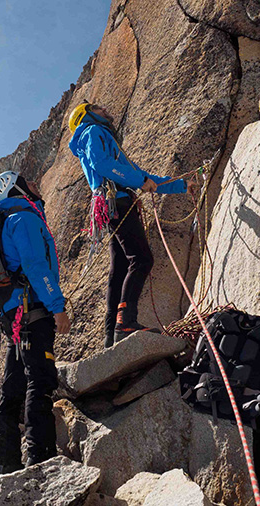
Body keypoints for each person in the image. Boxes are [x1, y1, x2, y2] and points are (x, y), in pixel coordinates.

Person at [67, 102, 188, 348]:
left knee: (120, 267)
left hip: (111, 205)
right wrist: (139, 180)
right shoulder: (93, 132)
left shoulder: (99, 137)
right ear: (87, 115)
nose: (104, 109)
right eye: (97, 107)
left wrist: (182, 185)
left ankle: (110, 335)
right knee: (142, 259)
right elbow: (103, 165)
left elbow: (139, 175)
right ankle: (126, 322)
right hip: (117, 202)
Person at [0, 171, 70, 474]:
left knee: (13, 387)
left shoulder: (5, 221)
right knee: (42, 379)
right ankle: (40, 456)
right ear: (15, 188)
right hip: (32, 311)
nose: (35, 184)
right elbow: (36, 265)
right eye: (28, 181)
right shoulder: (23, 218)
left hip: (13, 316)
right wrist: (57, 307)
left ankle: (7, 462)